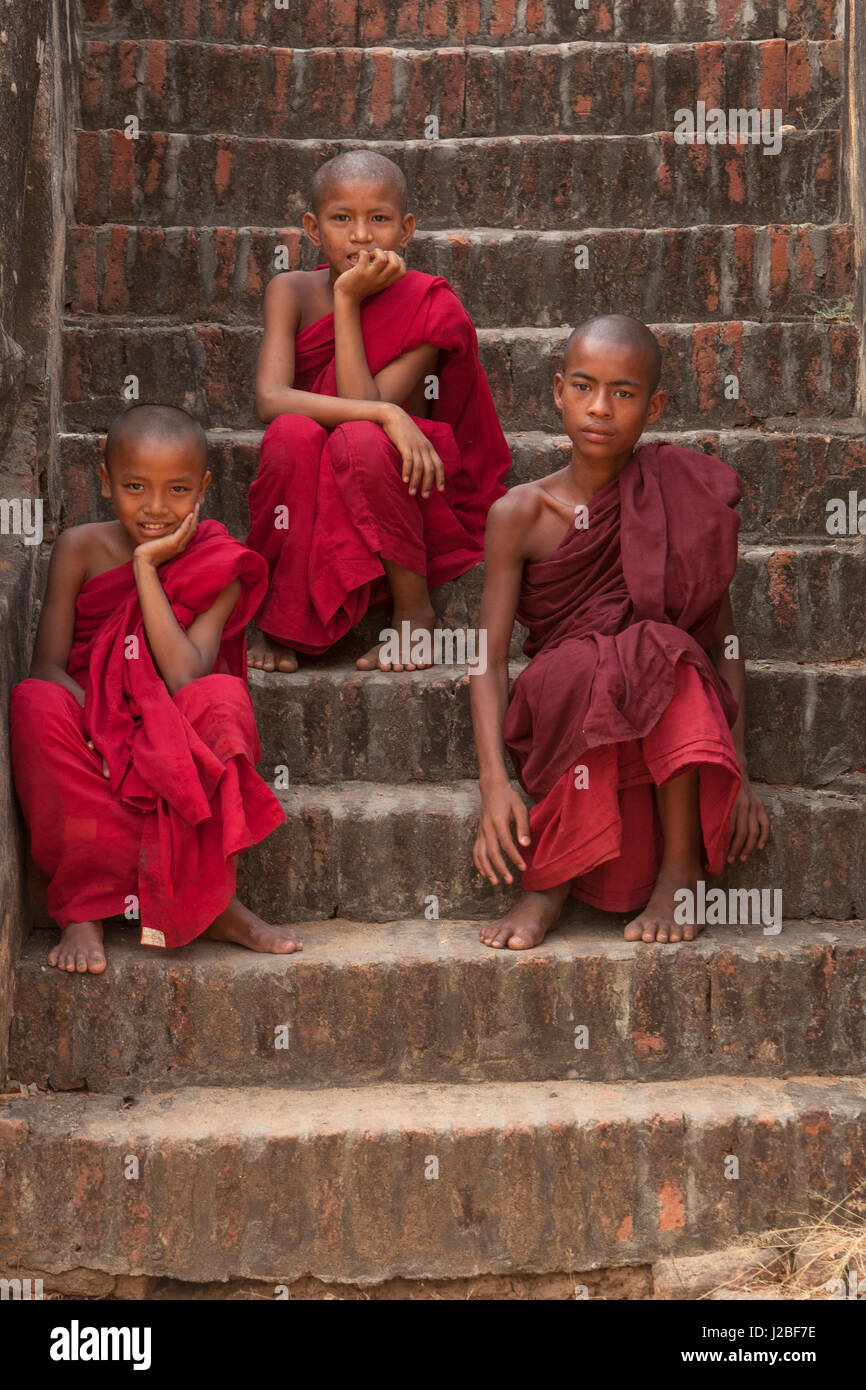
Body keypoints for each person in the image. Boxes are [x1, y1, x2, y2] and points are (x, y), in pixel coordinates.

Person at [470, 315, 770, 949]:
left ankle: (679, 869)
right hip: (564, 701)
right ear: (558, 391)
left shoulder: (677, 494)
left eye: (624, 393)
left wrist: (737, 767)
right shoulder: (519, 514)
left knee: (660, 649)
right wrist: (493, 782)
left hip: (658, 699)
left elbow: (723, 646)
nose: (600, 408)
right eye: (583, 386)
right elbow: (488, 660)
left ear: (654, 406)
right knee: (622, 660)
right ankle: (547, 884)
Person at [10, 404, 300, 974]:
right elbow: (47, 665)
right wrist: (104, 731)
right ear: (104, 481)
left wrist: (147, 569)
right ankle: (83, 908)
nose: (156, 507)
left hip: (170, 728)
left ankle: (216, 904)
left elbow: (185, 676)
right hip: (93, 727)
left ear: (203, 489)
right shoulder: (79, 548)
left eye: (177, 490)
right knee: (32, 702)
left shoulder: (217, 560)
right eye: (135, 487)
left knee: (222, 700)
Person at [245, 149, 511, 673]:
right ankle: (283, 620)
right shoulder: (290, 290)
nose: (361, 235)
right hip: (321, 451)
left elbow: (366, 407)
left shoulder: (427, 302)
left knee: (360, 440)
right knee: (290, 434)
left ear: (406, 229)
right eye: (342, 218)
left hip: (381, 464)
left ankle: (415, 615)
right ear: (313, 228)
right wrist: (391, 416)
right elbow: (269, 399)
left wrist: (347, 303)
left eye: (380, 219)